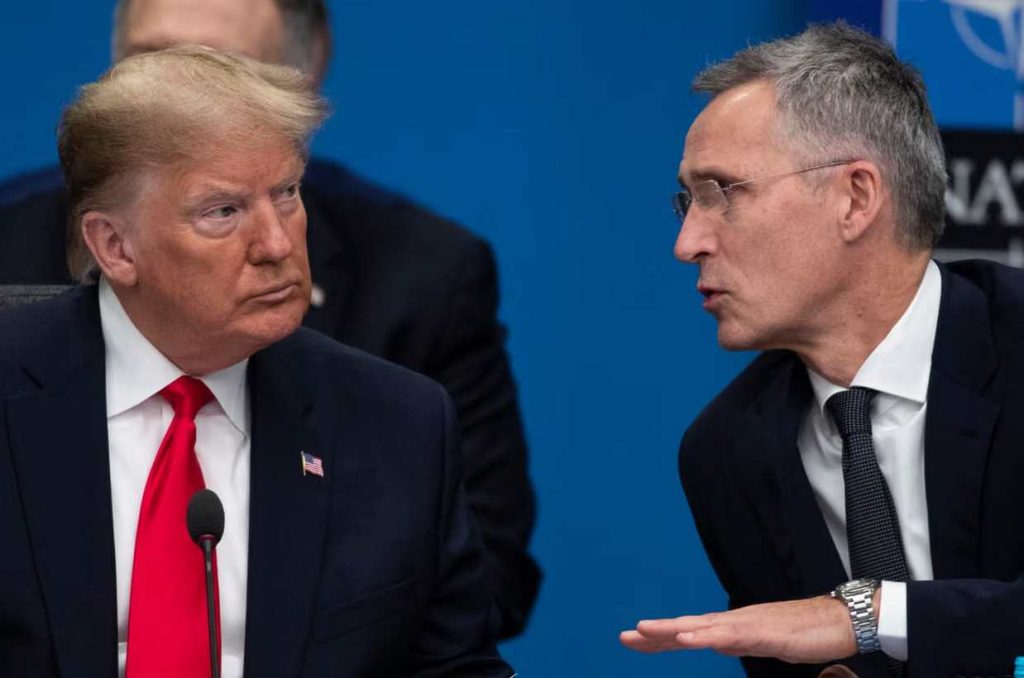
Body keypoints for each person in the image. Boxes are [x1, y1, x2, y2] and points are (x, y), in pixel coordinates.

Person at [0, 0, 539, 639]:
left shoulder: (405, 359)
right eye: (156, 61)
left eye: (224, 70)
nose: (277, 245)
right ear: (114, 246)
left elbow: (464, 609)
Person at [620, 22, 1024, 677]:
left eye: (722, 193)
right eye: (687, 202)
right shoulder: (727, 451)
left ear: (855, 198)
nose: (687, 243)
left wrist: (859, 617)